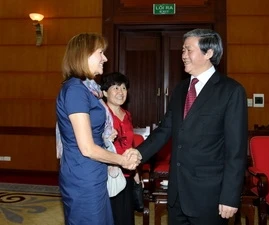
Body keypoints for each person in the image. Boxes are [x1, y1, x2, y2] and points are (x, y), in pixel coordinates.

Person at [136, 28, 248, 225]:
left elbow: (235, 150)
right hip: (177, 193)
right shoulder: (180, 89)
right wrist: (137, 154)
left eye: (188, 50)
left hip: (209, 196)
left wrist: (230, 196)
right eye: (182, 50)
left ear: (209, 53)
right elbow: (165, 130)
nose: (183, 56)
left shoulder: (231, 91)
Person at [56, 33, 141, 225]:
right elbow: (87, 148)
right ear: (83, 54)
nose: (105, 58)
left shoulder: (85, 89)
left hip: (92, 172)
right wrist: (122, 161)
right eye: (100, 53)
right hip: (83, 176)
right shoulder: (76, 90)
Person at [99, 72, 142, 225]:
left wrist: (136, 171)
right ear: (104, 92)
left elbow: (131, 145)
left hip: (127, 172)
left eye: (124, 88)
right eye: (116, 88)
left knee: (126, 216)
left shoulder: (127, 115)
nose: (121, 92)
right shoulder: (101, 114)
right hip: (108, 173)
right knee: (111, 215)